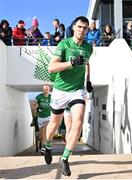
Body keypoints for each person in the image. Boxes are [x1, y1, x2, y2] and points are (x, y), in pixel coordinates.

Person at [43, 16, 93, 176]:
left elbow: (86, 63)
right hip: (60, 90)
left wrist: (88, 80)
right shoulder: (64, 44)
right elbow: (51, 67)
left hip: (77, 90)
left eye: (85, 28)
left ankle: (64, 159)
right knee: (53, 126)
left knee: (78, 122)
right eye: (79, 27)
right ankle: (48, 145)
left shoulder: (88, 47)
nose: (82, 30)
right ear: (73, 27)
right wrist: (70, 63)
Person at [32, 84, 51, 154]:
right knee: (41, 135)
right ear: (42, 90)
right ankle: (43, 144)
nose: (45, 91)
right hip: (41, 117)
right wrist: (35, 105)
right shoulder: (39, 96)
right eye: (44, 89)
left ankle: (44, 147)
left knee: (46, 131)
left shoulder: (51, 97)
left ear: (49, 90)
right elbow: (34, 103)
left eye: (47, 89)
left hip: (49, 117)